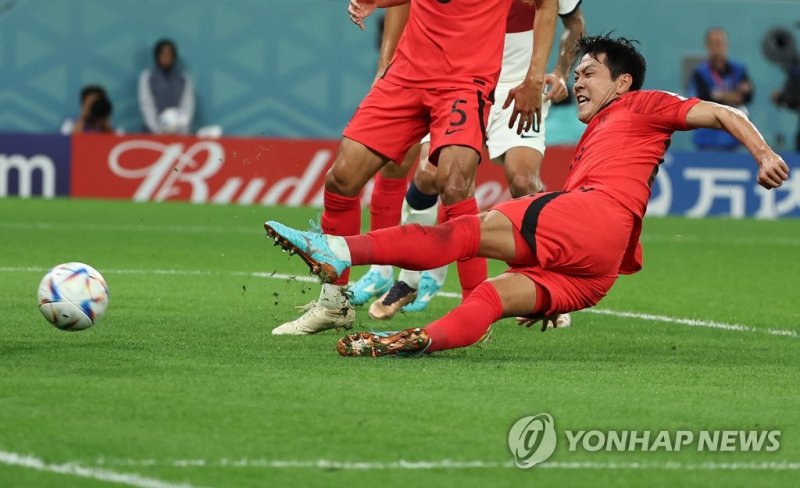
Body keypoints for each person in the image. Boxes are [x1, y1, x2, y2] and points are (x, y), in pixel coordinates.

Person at [264, 34, 790, 357]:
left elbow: (724, 112)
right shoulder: (604, 131)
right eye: (577, 74)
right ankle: (421, 340)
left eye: (589, 74)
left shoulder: (645, 103)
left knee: (459, 234)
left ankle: (338, 250)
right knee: (491, 298)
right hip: (600, 270)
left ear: (623, 82)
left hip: (594, 216)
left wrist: (763, 154)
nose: (578, 83)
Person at [270, 0, 559, 335]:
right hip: (407, 74)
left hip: (464, 82)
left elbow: (547, 5)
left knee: (454, 185)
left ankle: (476, 311)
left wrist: (534, 78)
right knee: (341, 179)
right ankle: (334, 304)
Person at [359, 0, 585, 322]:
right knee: (427, 176)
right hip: (460, 82)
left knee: (524, 183)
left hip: (517, 87)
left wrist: (561, 73)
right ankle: (408, 280)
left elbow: (574, 24)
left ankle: (546, 283)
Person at [688, 28, 754, 151]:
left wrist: (719, 95)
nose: (717, 48)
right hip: (707, 139)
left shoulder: (739, 70)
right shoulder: (700, 73)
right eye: (713, 43)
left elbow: (747, 96)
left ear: (726, 45)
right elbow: (702, 100)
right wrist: (732, 96)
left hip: (736, 138)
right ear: (707, 46)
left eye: (720, 43)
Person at [138, 38, 195, 134]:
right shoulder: (147, 77)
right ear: (157, 56)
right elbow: (146, 105)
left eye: (169, 54)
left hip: (179, 133)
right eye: (163, 54)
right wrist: (158, 130)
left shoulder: (184, 79)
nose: (166, 57)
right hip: (152, 133)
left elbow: (187, 106)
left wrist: (180, 129)